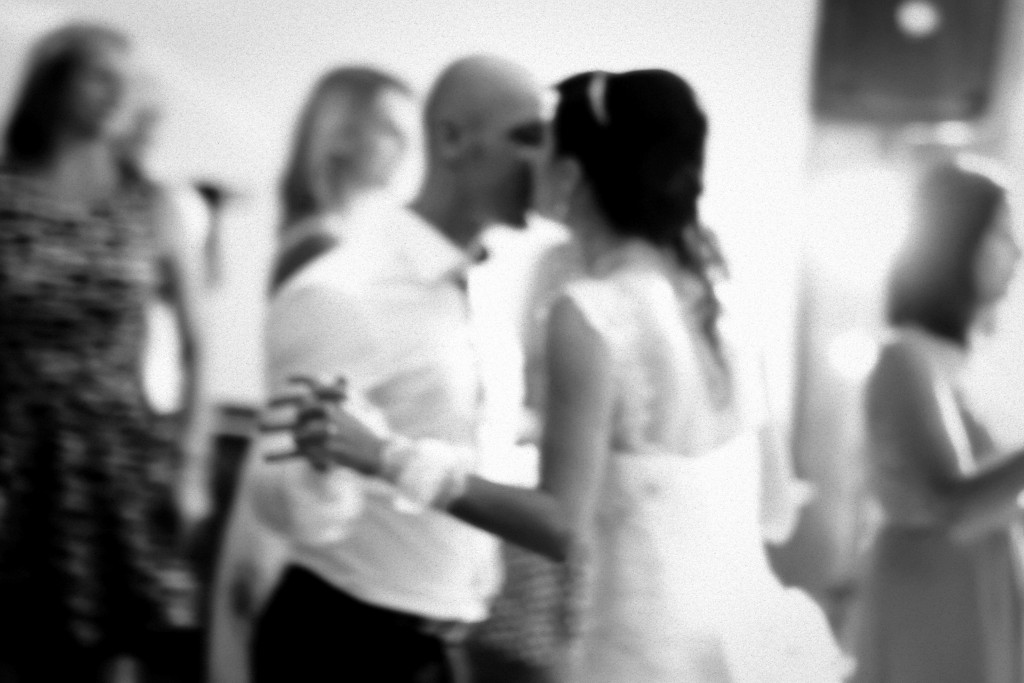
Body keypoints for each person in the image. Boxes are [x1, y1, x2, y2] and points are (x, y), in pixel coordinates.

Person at [284, 68, 850, 682]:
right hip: (741, 652)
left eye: (542, 143)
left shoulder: (592, 312)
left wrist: (385, 455)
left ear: (571, 175)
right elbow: (776, 510)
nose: (531, 162)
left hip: (641, 658)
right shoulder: (722, 303)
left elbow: (560, 525)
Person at [248, 55, 544, 683]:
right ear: (452, 139)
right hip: (340, 644)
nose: (542, 159)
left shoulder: (489, 295)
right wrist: (324, 468)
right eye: (526, 136)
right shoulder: (342, 292)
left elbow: (469, 443)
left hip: (443, 641)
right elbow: (277, 496)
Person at [0, 22, 191, 682]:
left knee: (117, 646)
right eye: (100, 77)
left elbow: (199, 343)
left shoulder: (151, 203)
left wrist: (191, 463)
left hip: (118, 451)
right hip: (18, 449)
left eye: (127, 82)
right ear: (55, 84)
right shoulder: (6, 193)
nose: (117, 94)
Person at [852, 159, 1024, 683]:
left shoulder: (972, 365)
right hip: (935, 604)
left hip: (980, 589)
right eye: (1001, 233)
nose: (1018, 251)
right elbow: (950, 504)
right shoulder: (905, 355)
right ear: (957, 241)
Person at [270, 66, 417, 293]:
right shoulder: (320, 248)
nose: (407, 146)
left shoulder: (334, 242)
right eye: (391, 129)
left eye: (410, 134)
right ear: (342, 133)